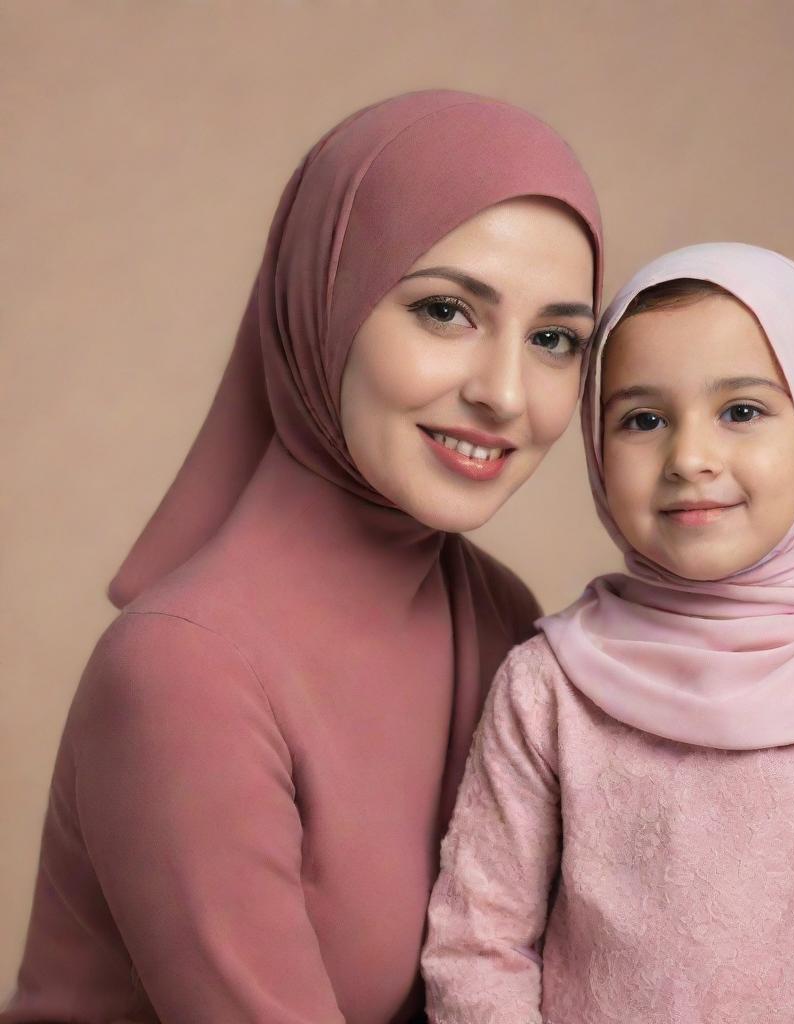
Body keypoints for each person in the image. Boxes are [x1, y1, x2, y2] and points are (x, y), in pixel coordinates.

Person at [3, 90, 602, 1024]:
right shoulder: (184, 670)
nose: (505, 393)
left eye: (556, 339)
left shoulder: (497, 616)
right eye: (446, 311)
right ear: (326, 301)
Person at [422, 243, 794, 1023]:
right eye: (643, 419)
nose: (690, 458)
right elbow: (475, 942)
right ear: (596, 447)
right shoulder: (552, 681)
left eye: (741, 411)